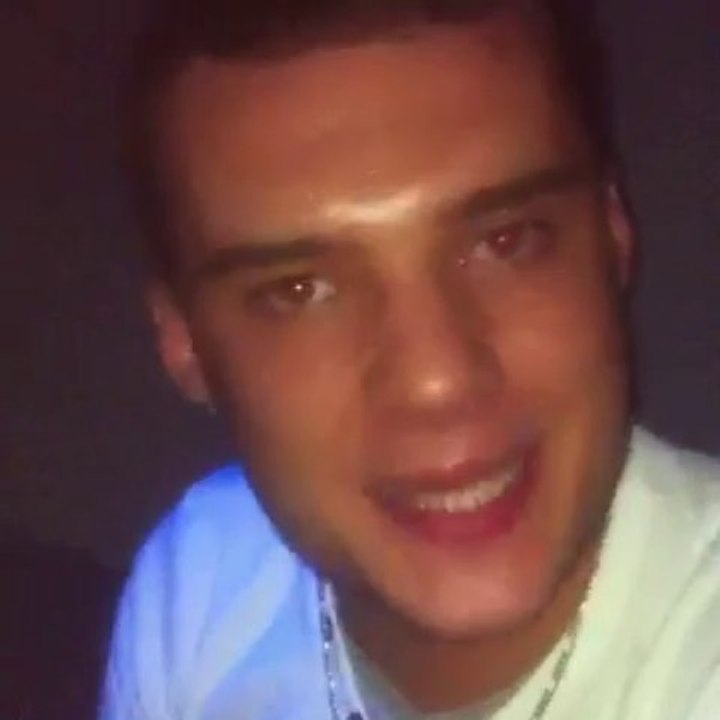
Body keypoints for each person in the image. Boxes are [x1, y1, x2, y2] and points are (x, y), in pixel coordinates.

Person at [100, 0, 720, 717]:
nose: (438, 381)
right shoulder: (199, 583)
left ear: (613, 236)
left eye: (508, 242)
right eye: (299, 290)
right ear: (185, 343)